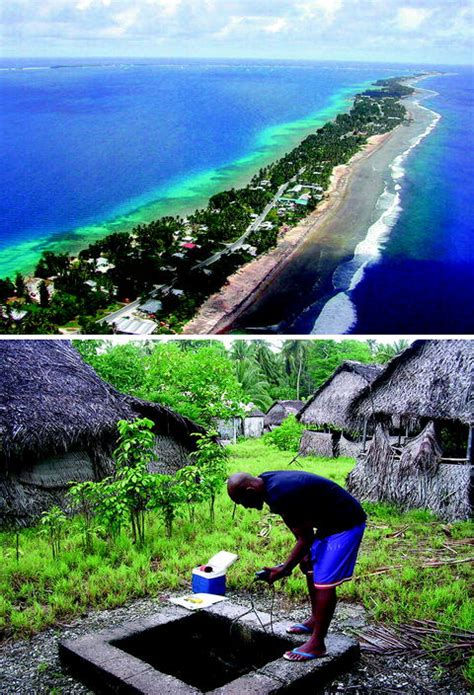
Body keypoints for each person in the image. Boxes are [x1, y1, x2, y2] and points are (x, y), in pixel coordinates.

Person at [227, 469, 366, 662]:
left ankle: (317, 644)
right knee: (310, 567)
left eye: (242, 502)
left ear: (250, 490)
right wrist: (301, 555)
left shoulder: (280, 493)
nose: (245, 507)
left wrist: (285, 568)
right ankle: (315, 620)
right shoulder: (267, 482)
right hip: (328, 522)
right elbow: (298, 526)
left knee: (324, 581)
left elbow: (306, 536)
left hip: (346, 522)